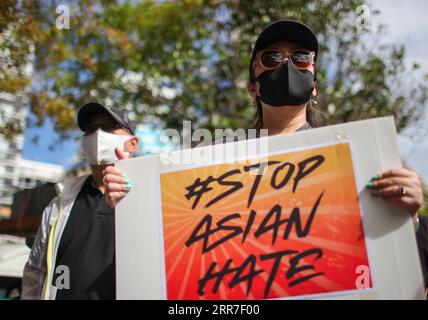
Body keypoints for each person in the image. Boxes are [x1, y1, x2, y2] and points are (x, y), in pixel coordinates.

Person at [103, 20, 427, 294]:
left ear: (314, 85)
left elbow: (397, 274)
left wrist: (405, 219)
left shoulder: (361, 160)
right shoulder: (214, 164)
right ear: (252, 88)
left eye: (301, 57)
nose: (287, 64)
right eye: (271, 57)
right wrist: (133, 204)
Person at [21, 102, 138, 300]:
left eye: (108, 127)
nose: (98, 136)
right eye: (91, 129)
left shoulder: (152, 198)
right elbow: (36, 272)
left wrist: (132, 204)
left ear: (132, 143)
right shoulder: (59, 204)